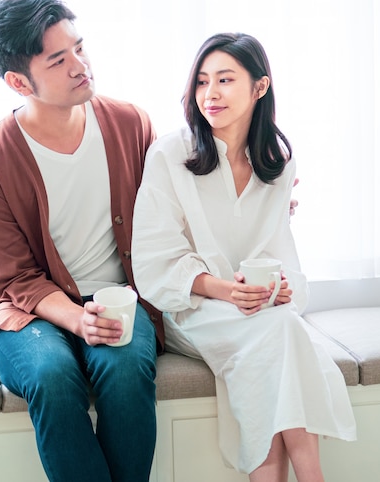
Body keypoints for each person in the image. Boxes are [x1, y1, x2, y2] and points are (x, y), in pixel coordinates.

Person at [131, 33, 356, 482]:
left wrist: (279, 287)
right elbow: (155, 260)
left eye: (225, 80)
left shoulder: (277, 161)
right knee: (281, 334)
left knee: (278, 331)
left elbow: (279, 253)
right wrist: (224, 291)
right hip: (192, 309)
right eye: (201, 81)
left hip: (258, 314)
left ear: (260, 87)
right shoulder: (171, 155)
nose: (209, 94)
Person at [0, 0, 163, 482]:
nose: (81, 66)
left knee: (123, 370)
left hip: (117, 297)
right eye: (58, 59)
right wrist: (77, 319)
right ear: (17, 81)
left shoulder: (130, 124)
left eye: (80, 48)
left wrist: (264, 191)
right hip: (30, 312)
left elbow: (177, 203)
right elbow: (17, 279)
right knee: (51, 376)